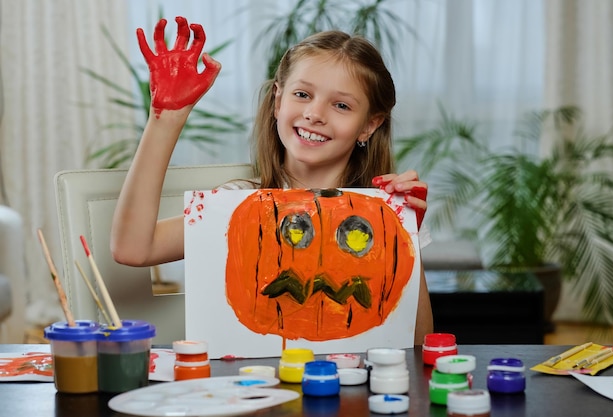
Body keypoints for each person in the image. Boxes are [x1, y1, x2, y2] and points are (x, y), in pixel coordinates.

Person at [111, 16, 433, 345]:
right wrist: (165, 120)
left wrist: (405, 235)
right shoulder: (235, 203)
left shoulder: (386, 211)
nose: (315, 114)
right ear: (278, 101)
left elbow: (421, 341)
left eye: (341, 105)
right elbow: (133, 249)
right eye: (303, 94)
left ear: (369, 125)